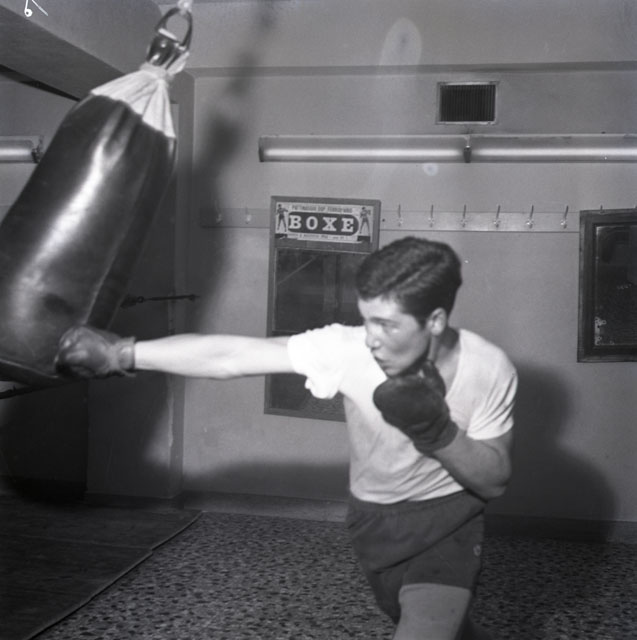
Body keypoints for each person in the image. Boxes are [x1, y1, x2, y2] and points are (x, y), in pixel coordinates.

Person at [55, 236, 517, 640]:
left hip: (449, 519)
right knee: (436, 624)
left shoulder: (488, 368)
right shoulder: (348, 348)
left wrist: (436, 432)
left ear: (435, 320)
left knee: (426, 627)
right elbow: (232, 356)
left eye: (388, 324)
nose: (371, 339)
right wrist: (122, 353)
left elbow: (493, 480)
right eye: (367, 320)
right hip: (374, 519)